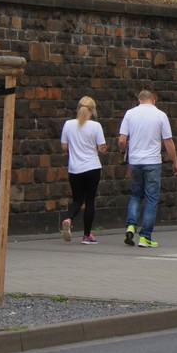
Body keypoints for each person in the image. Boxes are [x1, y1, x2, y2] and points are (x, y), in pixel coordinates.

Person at [119, 89, 177, 248]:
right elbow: (168, 142)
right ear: (154, 100)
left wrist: (124, 151)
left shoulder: (130, 114)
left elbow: (122, 140)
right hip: (153, 162)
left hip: (135, 161)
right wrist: (175, 162)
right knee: (151, 199)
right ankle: (145, 237)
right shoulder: (160, 115)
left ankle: (131, 226)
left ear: (139, 100)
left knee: (136, 195)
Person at [60, 96, 107, 244]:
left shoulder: (68, 125)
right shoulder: (96, 126)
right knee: (90, 201)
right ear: (92, 111)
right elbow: (101, 148)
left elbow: (64, 147)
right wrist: (103, 148)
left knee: (77, 200)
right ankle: (87, 236)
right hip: (92, 167)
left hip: (74, 169)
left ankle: (68, 218)